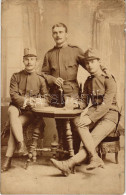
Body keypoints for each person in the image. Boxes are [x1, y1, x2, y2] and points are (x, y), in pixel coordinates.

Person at [50, 48, 119, 176]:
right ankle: (95, 158)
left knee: (91, 138)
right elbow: (84, 102)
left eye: (92, 62)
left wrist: (90, 118)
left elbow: (106, 105)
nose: (89, 65)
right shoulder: (88, 80)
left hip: (110, 114)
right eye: (87, 63)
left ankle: (68, 164)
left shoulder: (108, 79)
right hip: (95, 112)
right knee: (77, 121)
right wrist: (74, 104)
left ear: (99, 61)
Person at [41, 23, 87, 155]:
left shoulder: (75, 50)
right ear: (52, 35)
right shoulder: (49, 54)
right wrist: (52, 80)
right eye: (55, 32)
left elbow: (89, 64)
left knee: (74, 124)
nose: (58, 35)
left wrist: (104, 71)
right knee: (60, 124)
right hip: (56, 94)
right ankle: (63, 153)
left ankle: (76, 155)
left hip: (72, 92)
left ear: (66, 34)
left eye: (61, 32)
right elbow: (43, 74)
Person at [2, 48, 49, 172]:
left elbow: (47, 98)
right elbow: (13, 95)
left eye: (32, 59)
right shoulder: (16, 76)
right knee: (12, 111)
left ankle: (8, 158)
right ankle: (21, 144)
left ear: (36, 61)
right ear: (23, 60)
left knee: (14, 125)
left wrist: (37, 102)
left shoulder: (40, 79)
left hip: (30, 112)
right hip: (16, 107)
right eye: (27, 59)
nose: (29, 62)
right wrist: (27, 101)